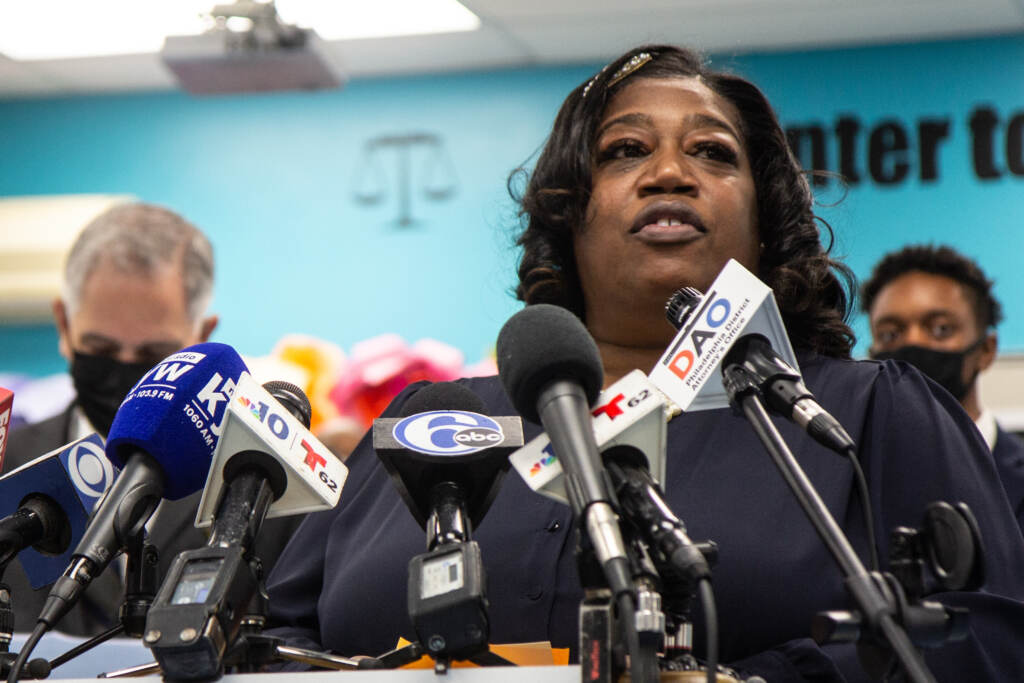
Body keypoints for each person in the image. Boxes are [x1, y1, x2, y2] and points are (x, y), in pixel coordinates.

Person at [266, 46, 1024, 681]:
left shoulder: (861, 414)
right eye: (626, 150)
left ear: (766, 223)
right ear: (570, 213)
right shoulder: (431, 418)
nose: (669, 172)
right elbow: (275, 639)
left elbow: (986, 637)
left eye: (712, 153)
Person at [3, 203, 302, 637]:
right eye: (101, 350)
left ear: (202, 337)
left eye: (151, 357)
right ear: (64, 325)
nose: (126, 372)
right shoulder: (6, 464)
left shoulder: (267, 483)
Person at [861, 244, 1024, 532]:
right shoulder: (853, 482)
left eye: (940, 329)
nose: (912, 344)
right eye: (890, 334)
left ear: (986, 350)